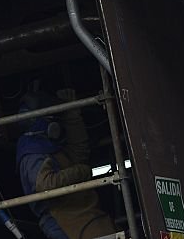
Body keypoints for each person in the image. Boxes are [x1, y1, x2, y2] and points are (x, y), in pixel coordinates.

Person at [15, 88, 118, 239]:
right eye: (51, 118)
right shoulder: (32, 152)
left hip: (83, 213)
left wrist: (72, 114)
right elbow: (45, 186)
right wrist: (81, 171)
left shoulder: (52, 146)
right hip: (60, 219)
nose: (56, 123)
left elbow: (79, 152)